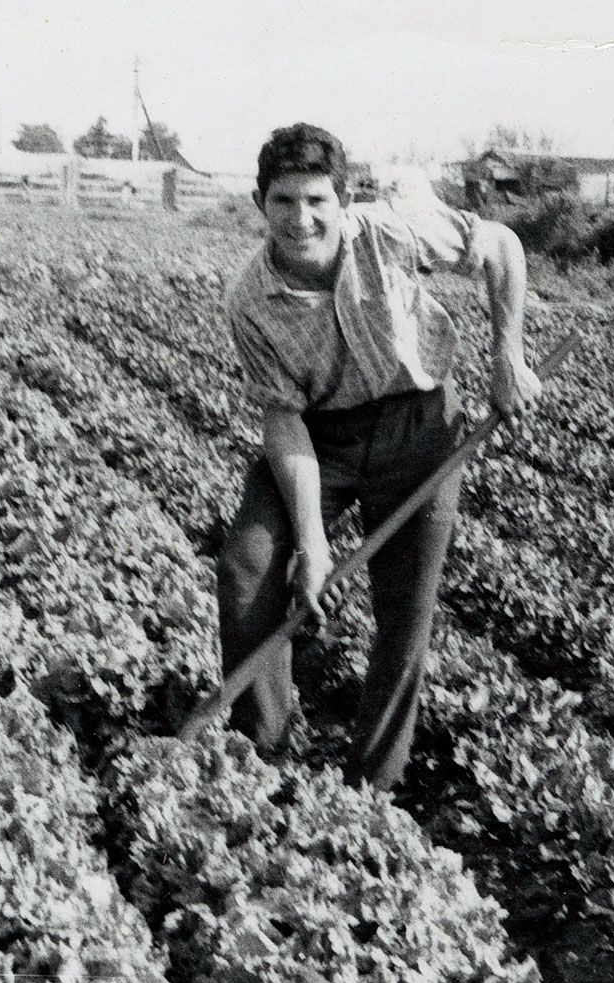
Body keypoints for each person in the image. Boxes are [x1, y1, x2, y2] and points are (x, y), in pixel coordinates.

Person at [217, 123, 542, 790]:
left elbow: (502, 248)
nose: (301, 219)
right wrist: (312, 543)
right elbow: (283, 421)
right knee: (249, 565)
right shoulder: (249, 299)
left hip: (416, 426)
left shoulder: (390, 230)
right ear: (260, 203)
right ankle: (265, 751)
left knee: (405, 611)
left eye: (316, 200)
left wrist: (507, 354)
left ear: (342, 200)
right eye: (284, 201)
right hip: (320, 436)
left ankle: (373, 787)